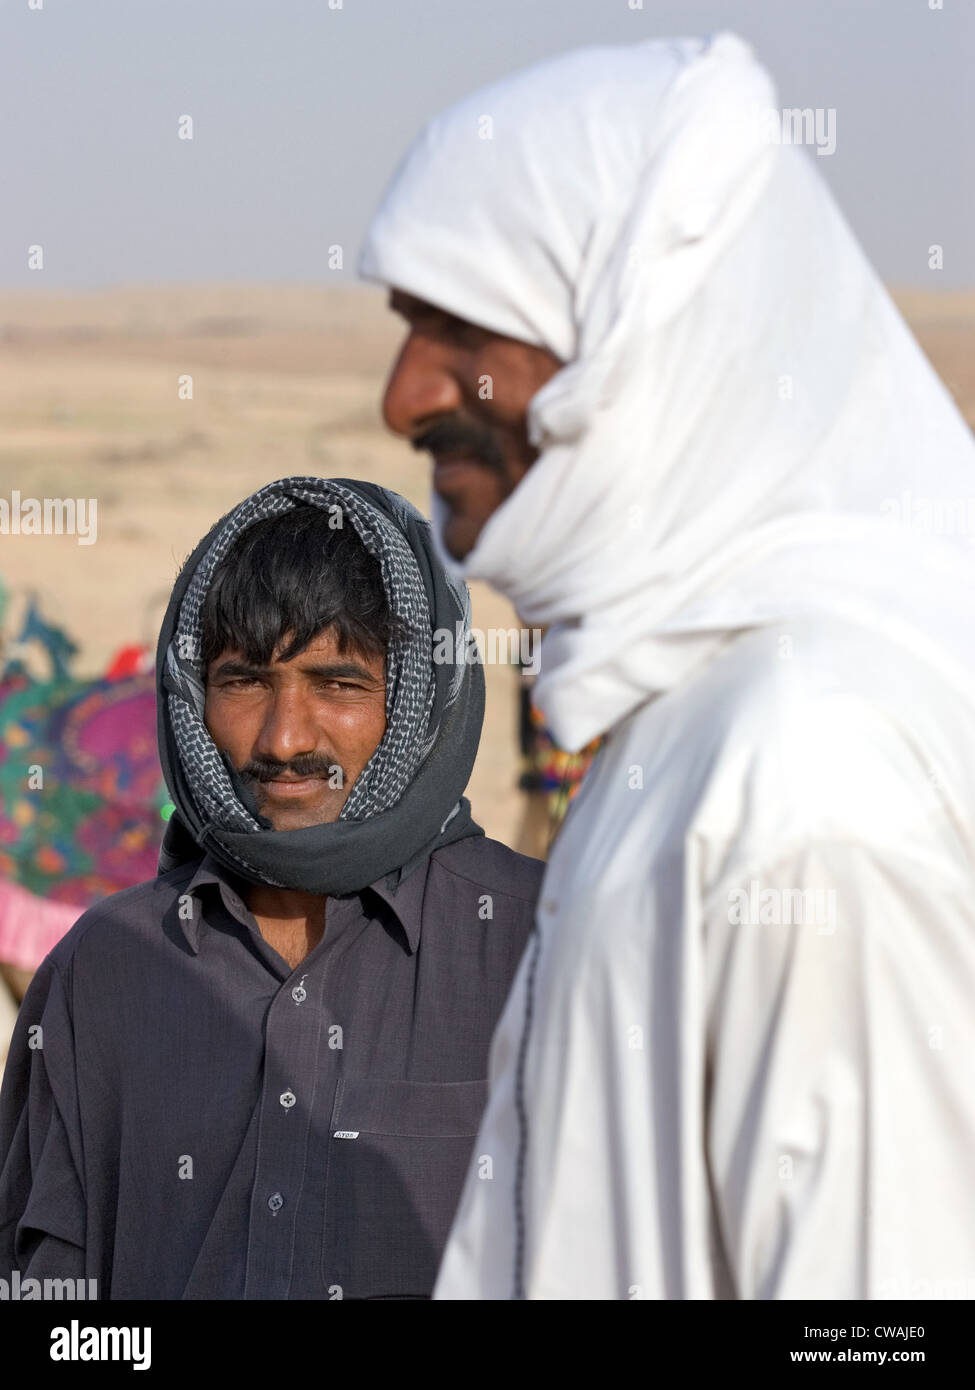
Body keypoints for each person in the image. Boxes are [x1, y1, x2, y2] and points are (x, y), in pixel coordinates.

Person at [359, 33, 975, 1298]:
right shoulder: (692, 724)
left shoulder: (811, 781)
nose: (405, 394)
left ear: (643, 342)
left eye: (460, 326)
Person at [0, 476, 541, 1300]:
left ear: (420, 696)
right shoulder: (104, 970)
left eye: (339, 683)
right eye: (244, 681)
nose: (284, 738)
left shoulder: (545, 949)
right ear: (192, 698)